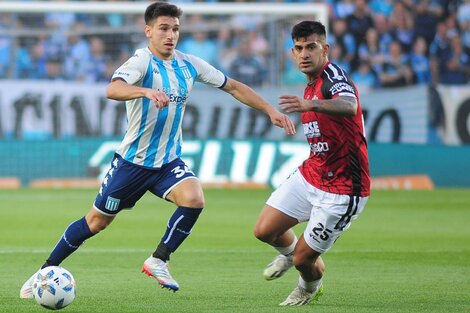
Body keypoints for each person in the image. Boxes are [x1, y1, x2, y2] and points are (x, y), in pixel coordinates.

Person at [20, 1, 295, 298]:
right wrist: (145, 90)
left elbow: (233, 86)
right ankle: (43, 271)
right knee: (96, 222)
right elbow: (112, 89)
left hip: (167, 162)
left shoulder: (189, 64)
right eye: (164, 29)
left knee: (194, 198)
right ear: (148, 31)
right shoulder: (140, 62)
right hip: (132, 163)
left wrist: (270, 110)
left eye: (175, 29)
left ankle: (159, 259)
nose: (170, 35)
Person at [254, 20, 370, 306]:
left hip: (344, 188)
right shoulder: (309, 82)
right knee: (264, 230)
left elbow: (349, 105)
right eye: (298, 48)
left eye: (311, 47)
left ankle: (309, 286)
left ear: (325, 49)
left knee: (305, 259)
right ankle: (291, 255)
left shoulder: (333, 78)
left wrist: (311, 105)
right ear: (292, 52)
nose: (304, 54)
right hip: (313, 172)